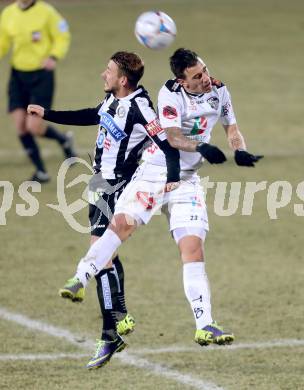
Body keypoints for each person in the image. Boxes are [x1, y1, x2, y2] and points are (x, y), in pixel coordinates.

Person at [57, 48, 263, 368]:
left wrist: (240, 150)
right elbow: (172, 137)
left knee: (192, 249)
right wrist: (202, 146)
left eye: (205, 70)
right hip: (153, 174)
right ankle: (81, 276)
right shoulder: (169, 93)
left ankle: (205, 324)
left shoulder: (219, 89)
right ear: (182, 80)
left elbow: (231, 127)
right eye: (197, 76)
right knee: (123, 225)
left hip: (187, 181)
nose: (205, 78)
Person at [27, 50, 186, 369]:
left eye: (109, 71)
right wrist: (48, 113)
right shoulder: (114, 102)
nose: (103, 74)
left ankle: (109, 332)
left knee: (100, 251)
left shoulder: (140, 106)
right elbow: (92, 114)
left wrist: (170, 179)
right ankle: (120, 315)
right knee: (106, 252)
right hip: (100, 182)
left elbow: (167, 144)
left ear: (123, 80)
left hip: (119, 185)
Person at [0, 0, 76, 183]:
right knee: (20, 125)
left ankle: (64, 140)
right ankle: (41, 171)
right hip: (18, 76)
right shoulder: (8, 13)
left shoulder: (47, 12)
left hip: (42, 76)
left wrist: (54, 56)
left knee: (33, 126)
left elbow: (62, 35)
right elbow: (2, 42)